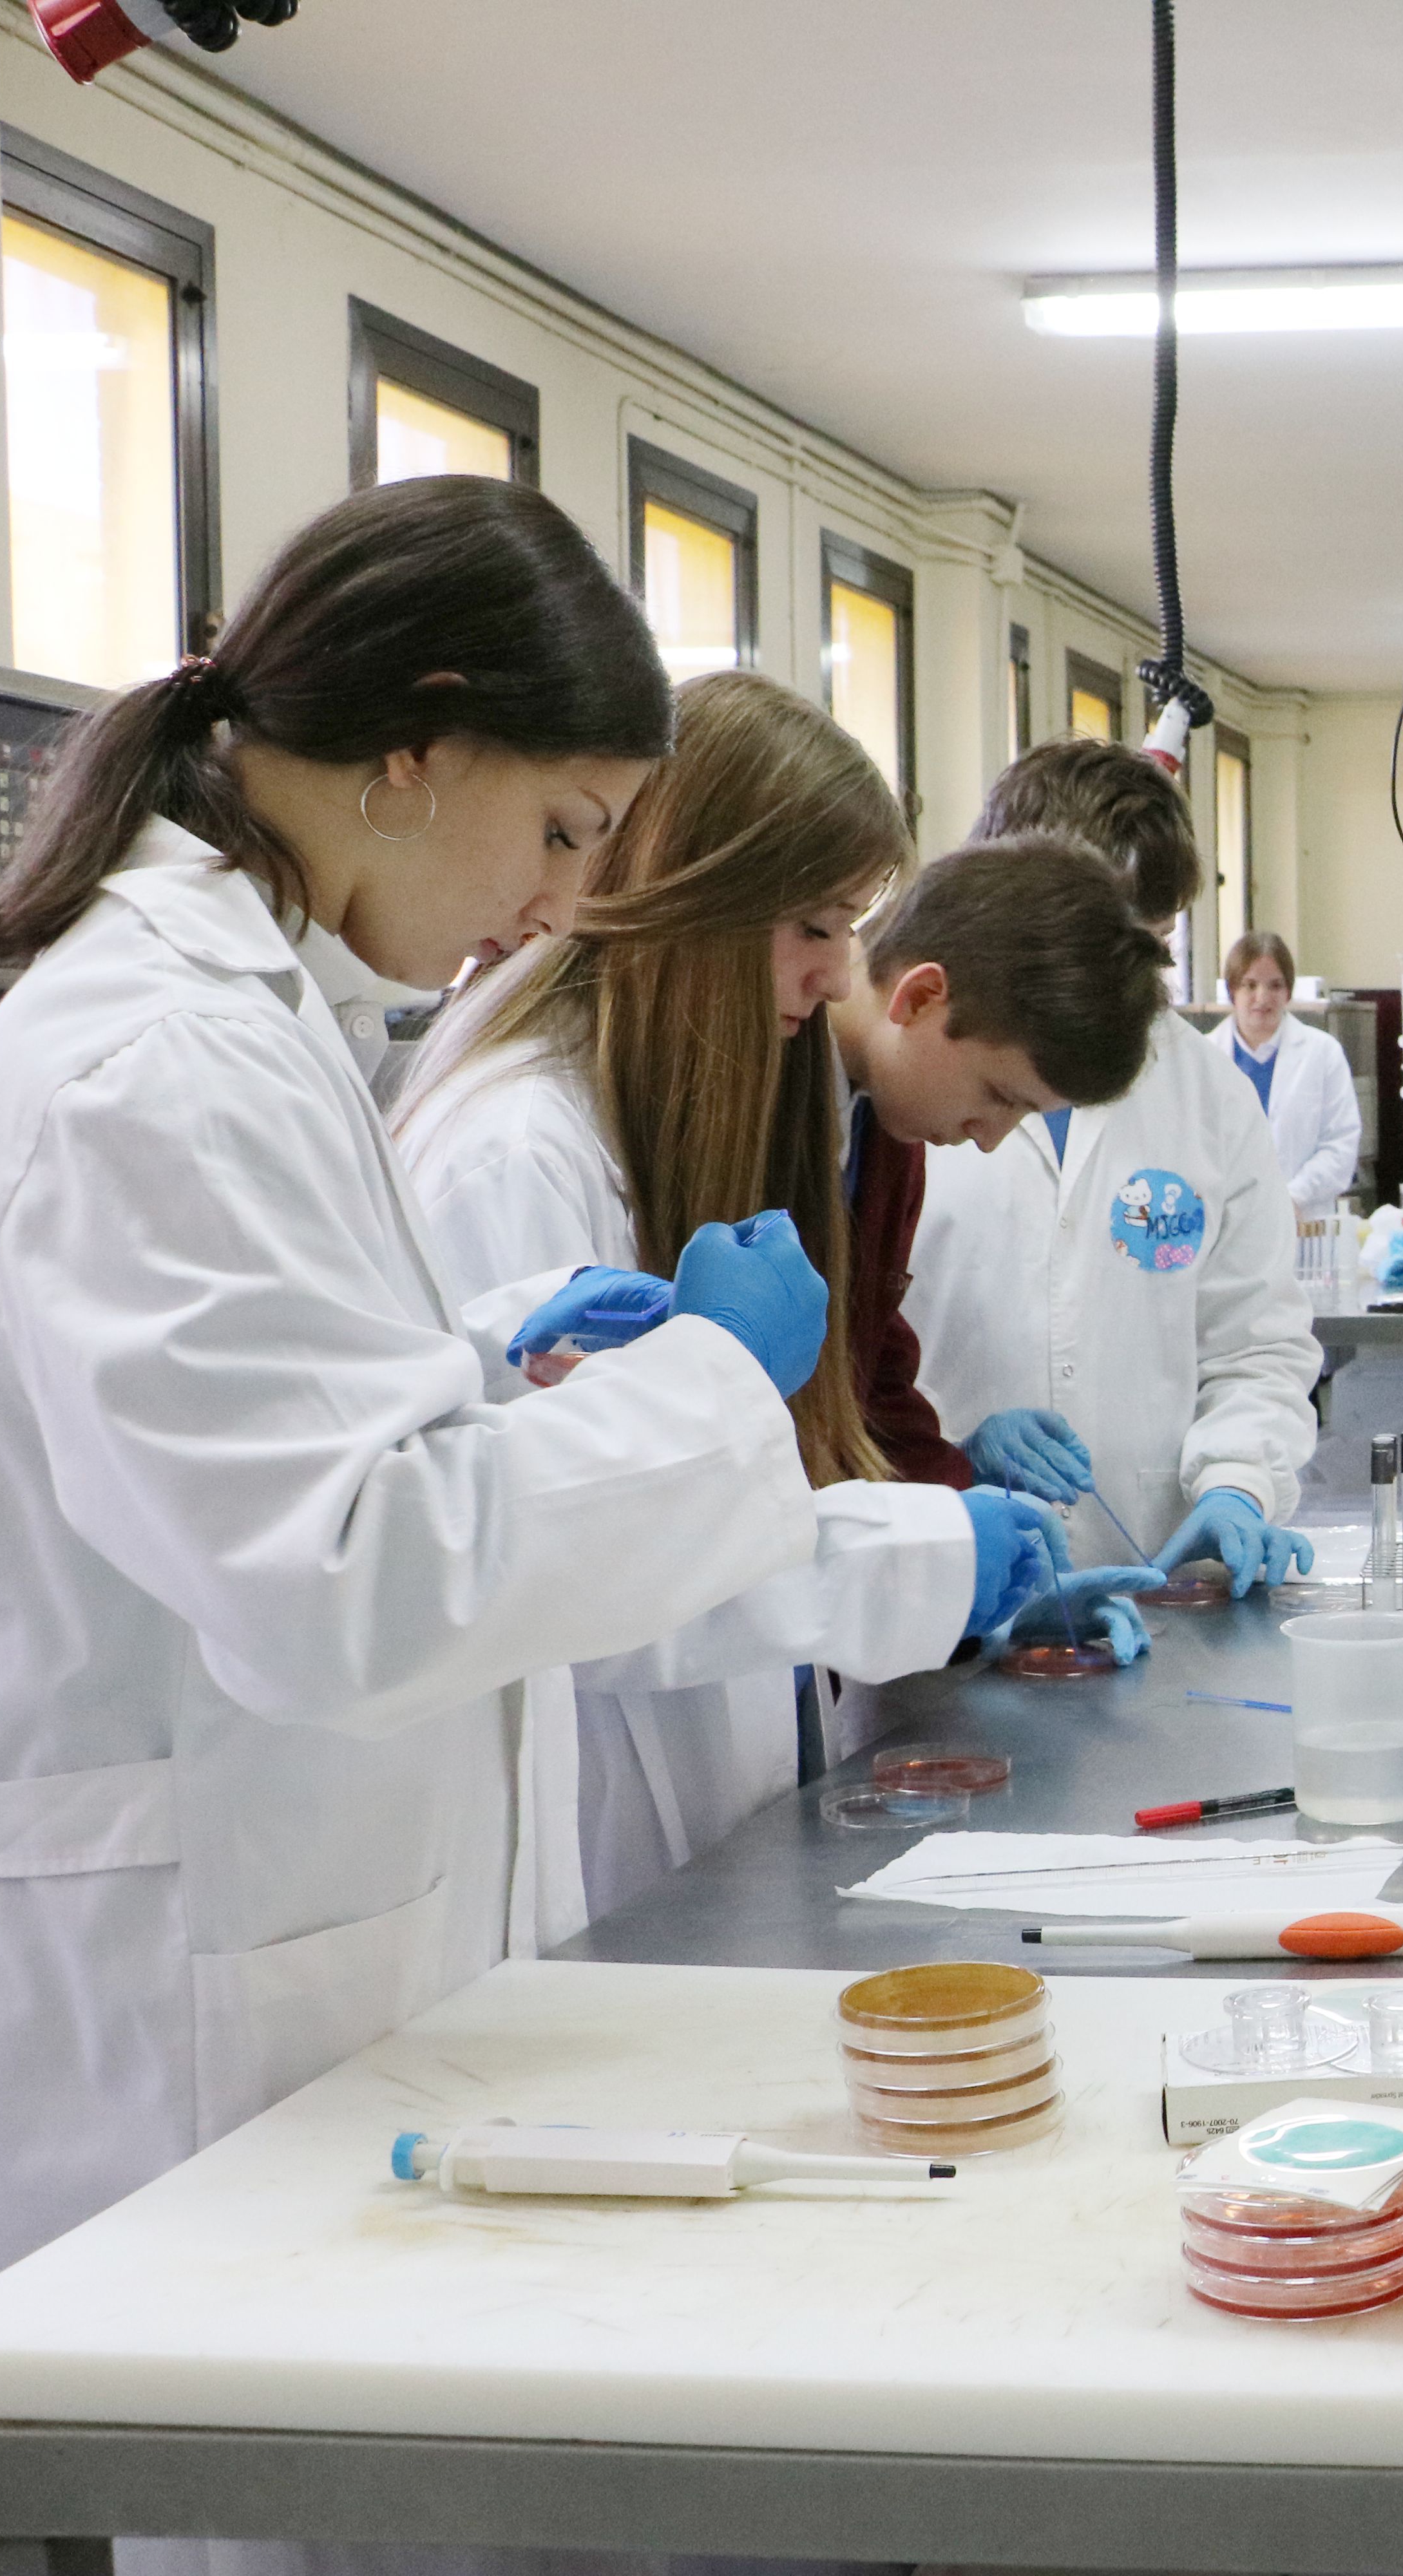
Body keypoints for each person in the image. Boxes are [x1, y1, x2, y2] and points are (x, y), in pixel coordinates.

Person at [0, 479, 1027, 2339]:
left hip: (300, 1955)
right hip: (157, 2030)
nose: (574, 895)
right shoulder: (157, 1056)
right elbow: (349, 1575)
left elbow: (301, 1440)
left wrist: (486, 1356)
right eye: (566, 825)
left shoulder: (262, 1017)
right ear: (413, 747)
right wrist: (709, 1385)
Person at [391, 672, 1024, 1929]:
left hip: (702, 1810)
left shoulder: (655, 1111)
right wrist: (915, 1559)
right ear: (694, 897)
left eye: (851, 925)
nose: (839, 971)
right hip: (593, 1842)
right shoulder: (520, 1149)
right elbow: (564, 1575)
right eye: (813, 925)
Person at [906, 739, 1321, 1584]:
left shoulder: (1208, 1095)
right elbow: (843, 1370)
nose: (1122, 989)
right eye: (1101, 946)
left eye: (1153, 947)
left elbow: (1257, 1346)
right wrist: (945, 1453)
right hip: (935, 1580)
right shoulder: (913, 1085)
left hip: (1156, 1586)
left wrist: (1238, 1485)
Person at [826, 837, 1175, 1493]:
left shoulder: (887, 1133)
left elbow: (871, 1374)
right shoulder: (769, 1098)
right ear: (923, 996)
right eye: (999, 1097)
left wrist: (952, 1485)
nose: (990, 1139)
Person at [1209, 928, 1365, 1219]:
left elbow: (1341, 1145)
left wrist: (1294, 1196)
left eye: (1275, 985)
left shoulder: (1323, 1054)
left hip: (1304, 1221)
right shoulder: (1205, 1057)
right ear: (1232, 990)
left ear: (1288, 991)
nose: (1262, 997)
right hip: (1223, 1223)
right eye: (1250, 985)